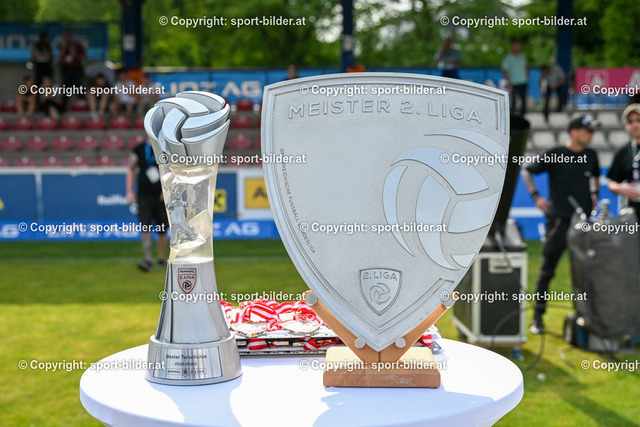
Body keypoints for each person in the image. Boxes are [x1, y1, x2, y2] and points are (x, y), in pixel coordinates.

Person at [522, 115, 601, 334]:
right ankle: (537, 317)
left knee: (586, 273)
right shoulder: (556, 153)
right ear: (574, 132)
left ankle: (585, 319)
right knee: (547, 271)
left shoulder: (591, 155)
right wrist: (536, 197)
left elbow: (595, 176)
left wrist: (594, 192)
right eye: (588, 130)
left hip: (583, 223)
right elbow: (527, 170)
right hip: (558, 222)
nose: (592, 134)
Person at [126, 140, 169, 272]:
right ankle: (148, 260)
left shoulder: (166, 148)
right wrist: (129, 191)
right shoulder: (139, 149)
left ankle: (161, 259)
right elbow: (131, 169)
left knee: (162, 229)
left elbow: (173, 170)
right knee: (146, 228)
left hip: (161, 197)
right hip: (144, 197)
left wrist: (167, 190)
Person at [607, 104, 640, 216]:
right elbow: (613, 183)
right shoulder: (623, 151)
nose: (635, 124)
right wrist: (621, 188)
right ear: (626, 125)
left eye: (638, 120)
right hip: (632, 211)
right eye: (630, 121)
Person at [58, 30, 86, 107]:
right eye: (66, 37)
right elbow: (60, 56)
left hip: (76, 69)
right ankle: (63, 105)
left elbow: (84, 57)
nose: (68, 38)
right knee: (66, 87)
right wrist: (65, 45)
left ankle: (82, 103)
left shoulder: (78, 45)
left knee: (79, 86)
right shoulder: (63, 46)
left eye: (69, 36)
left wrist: (76, 55)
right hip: (66, 69)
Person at [502, 40, 528, 116]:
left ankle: (523, 116)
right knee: (514, 100)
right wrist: (509, 83)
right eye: (516, 46)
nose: (518, 48)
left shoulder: (522, 56)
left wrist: (527, 77)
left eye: (519, 46)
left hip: (523, 81)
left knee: (523, 100)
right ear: (512, 47)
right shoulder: (508, 58)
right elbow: (505, 71)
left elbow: (526, 67)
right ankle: (513, 117)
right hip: (513, 82)